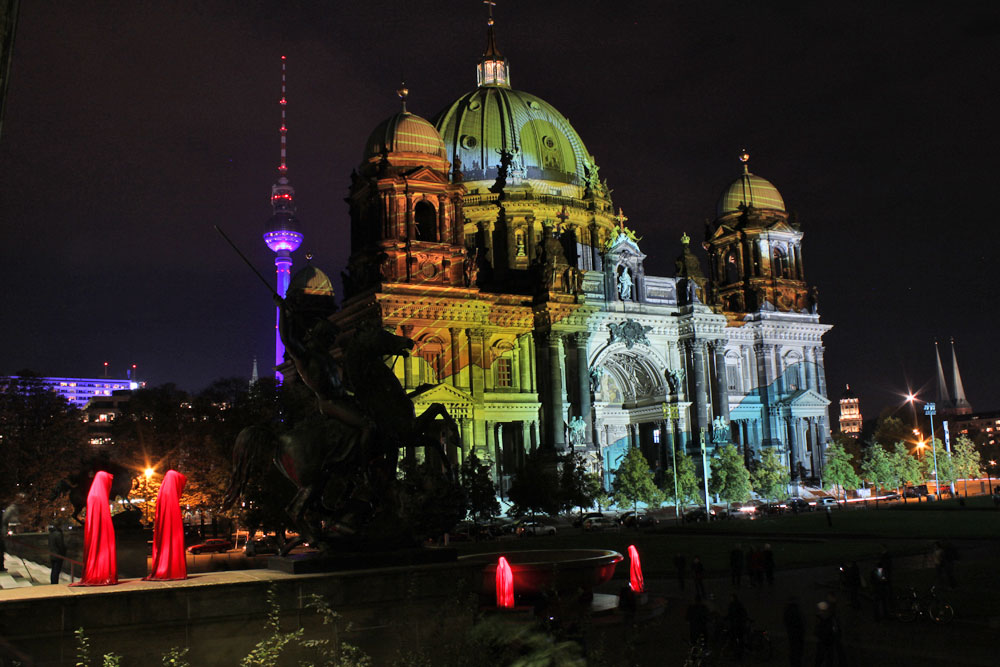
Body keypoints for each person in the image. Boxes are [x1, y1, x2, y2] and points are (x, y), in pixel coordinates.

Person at [71, 471, 118, 586]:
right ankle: (102, 573)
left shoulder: (94, 494)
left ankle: (99, 572)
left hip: (96, 531)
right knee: (104, 547)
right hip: (102, 531)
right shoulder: (99, 495)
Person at [146, 470, 188, 581]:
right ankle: (173, 570)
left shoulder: (164, 492)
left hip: (164, 529)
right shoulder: (170, 495)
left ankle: (167, 568)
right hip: (172, 527)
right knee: (173, 541)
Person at [783, 597, 805, 667]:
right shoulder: (796, 612)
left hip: (792, 634)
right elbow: (801, 623)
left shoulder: (787, 611)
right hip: (797, 635)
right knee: (797, 652)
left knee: (793, 650)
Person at [726, 593, 748, 660]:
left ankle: (736, 654)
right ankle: (741, 652)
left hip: (735, 625)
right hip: (740, 624)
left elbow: (730, 614)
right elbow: (744, 612)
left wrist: (726, 618)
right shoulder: (740, 604)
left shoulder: (732, 605)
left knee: (734, 638)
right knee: (740, 639)